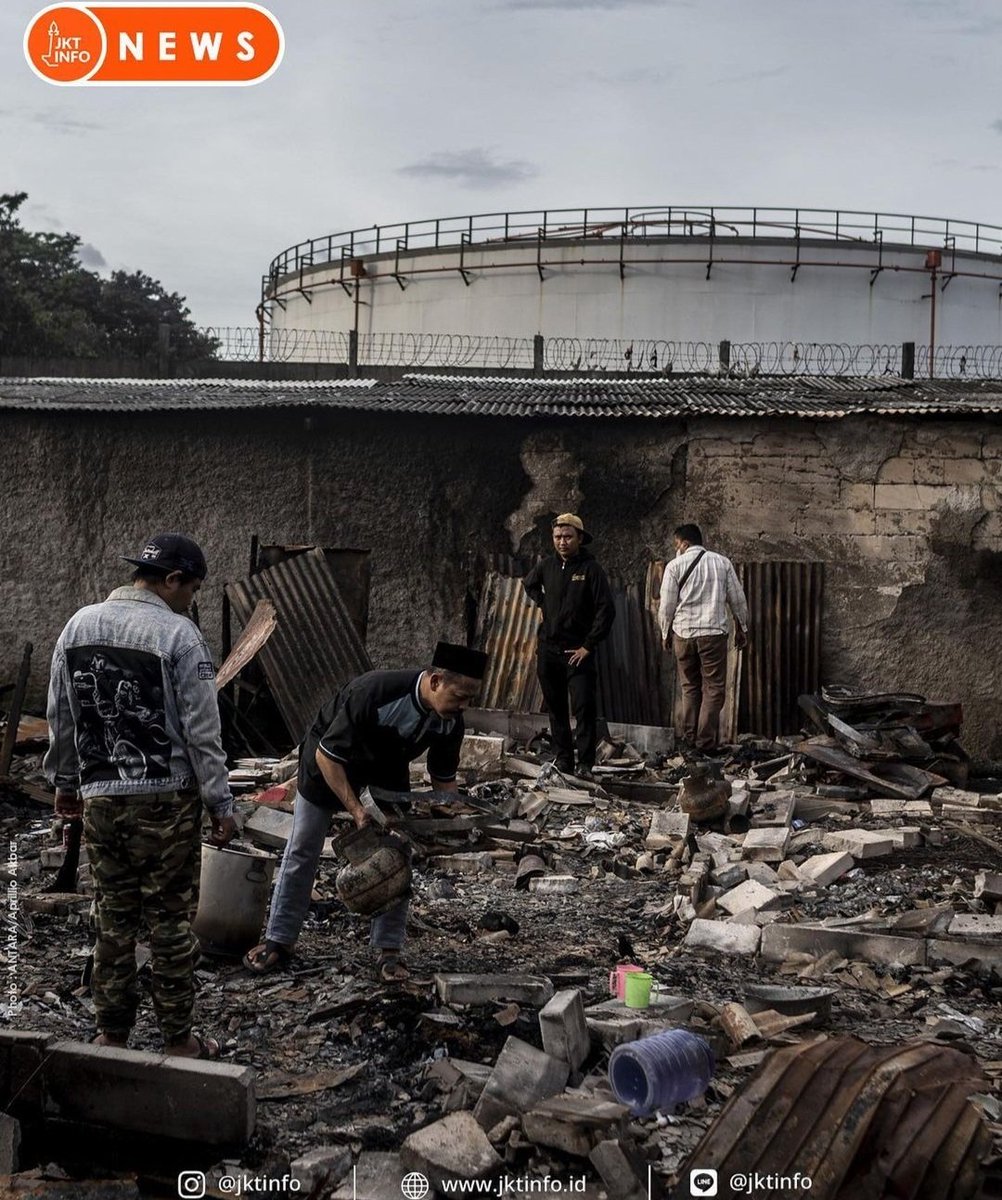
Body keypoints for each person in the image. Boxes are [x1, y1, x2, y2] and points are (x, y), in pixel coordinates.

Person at [44, 533, 236, 1058]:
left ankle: (111, 1034)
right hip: (166, 802)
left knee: (112, 919)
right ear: (172, 580)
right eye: (192, 588)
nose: (191, 599)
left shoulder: (77, 625)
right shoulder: (181, 635)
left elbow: (63, 716)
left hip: (102, 799)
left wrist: (64, 783)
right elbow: (202, 730)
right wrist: (221, 803)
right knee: (171, 922)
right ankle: (180, 1042)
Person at [243, 642, 488, 983]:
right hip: (328, 761)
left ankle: (388, 952)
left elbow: (443, 784)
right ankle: (278, 942)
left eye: (470, 700)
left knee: (397, 851)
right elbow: (328, 757)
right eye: (460, 696)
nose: (464, 706)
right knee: (303, 848)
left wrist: (459, 822)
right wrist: (357, 811)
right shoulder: (374, 691)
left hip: (386, 771)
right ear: (435, 682)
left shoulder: (450, 720)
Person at [523, 513, 615, 781]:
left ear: (579, 538)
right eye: (557, 537)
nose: (562, 542)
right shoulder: (547, 566)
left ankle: (585, 764)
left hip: (578, 653)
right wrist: (543, 602)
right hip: (549, 650)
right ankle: (564, 759)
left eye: (567, 537)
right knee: (556, 708)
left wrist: (588, 645)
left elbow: (606, 610)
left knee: (584, 708)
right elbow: (529, 584)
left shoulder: (590, 569)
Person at [658, 523, 750, 755]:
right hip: (712, 634)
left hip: (683, 634)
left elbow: (666, 605)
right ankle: (705, 743)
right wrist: (742, 627)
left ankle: (690, 740)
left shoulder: (674, 566)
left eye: (676, 545)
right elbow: (737, 599)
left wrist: (665, 632)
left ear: (685, 543)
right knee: (714, 689)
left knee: (689, 687)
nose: (676, 549)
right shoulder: (722, 563)